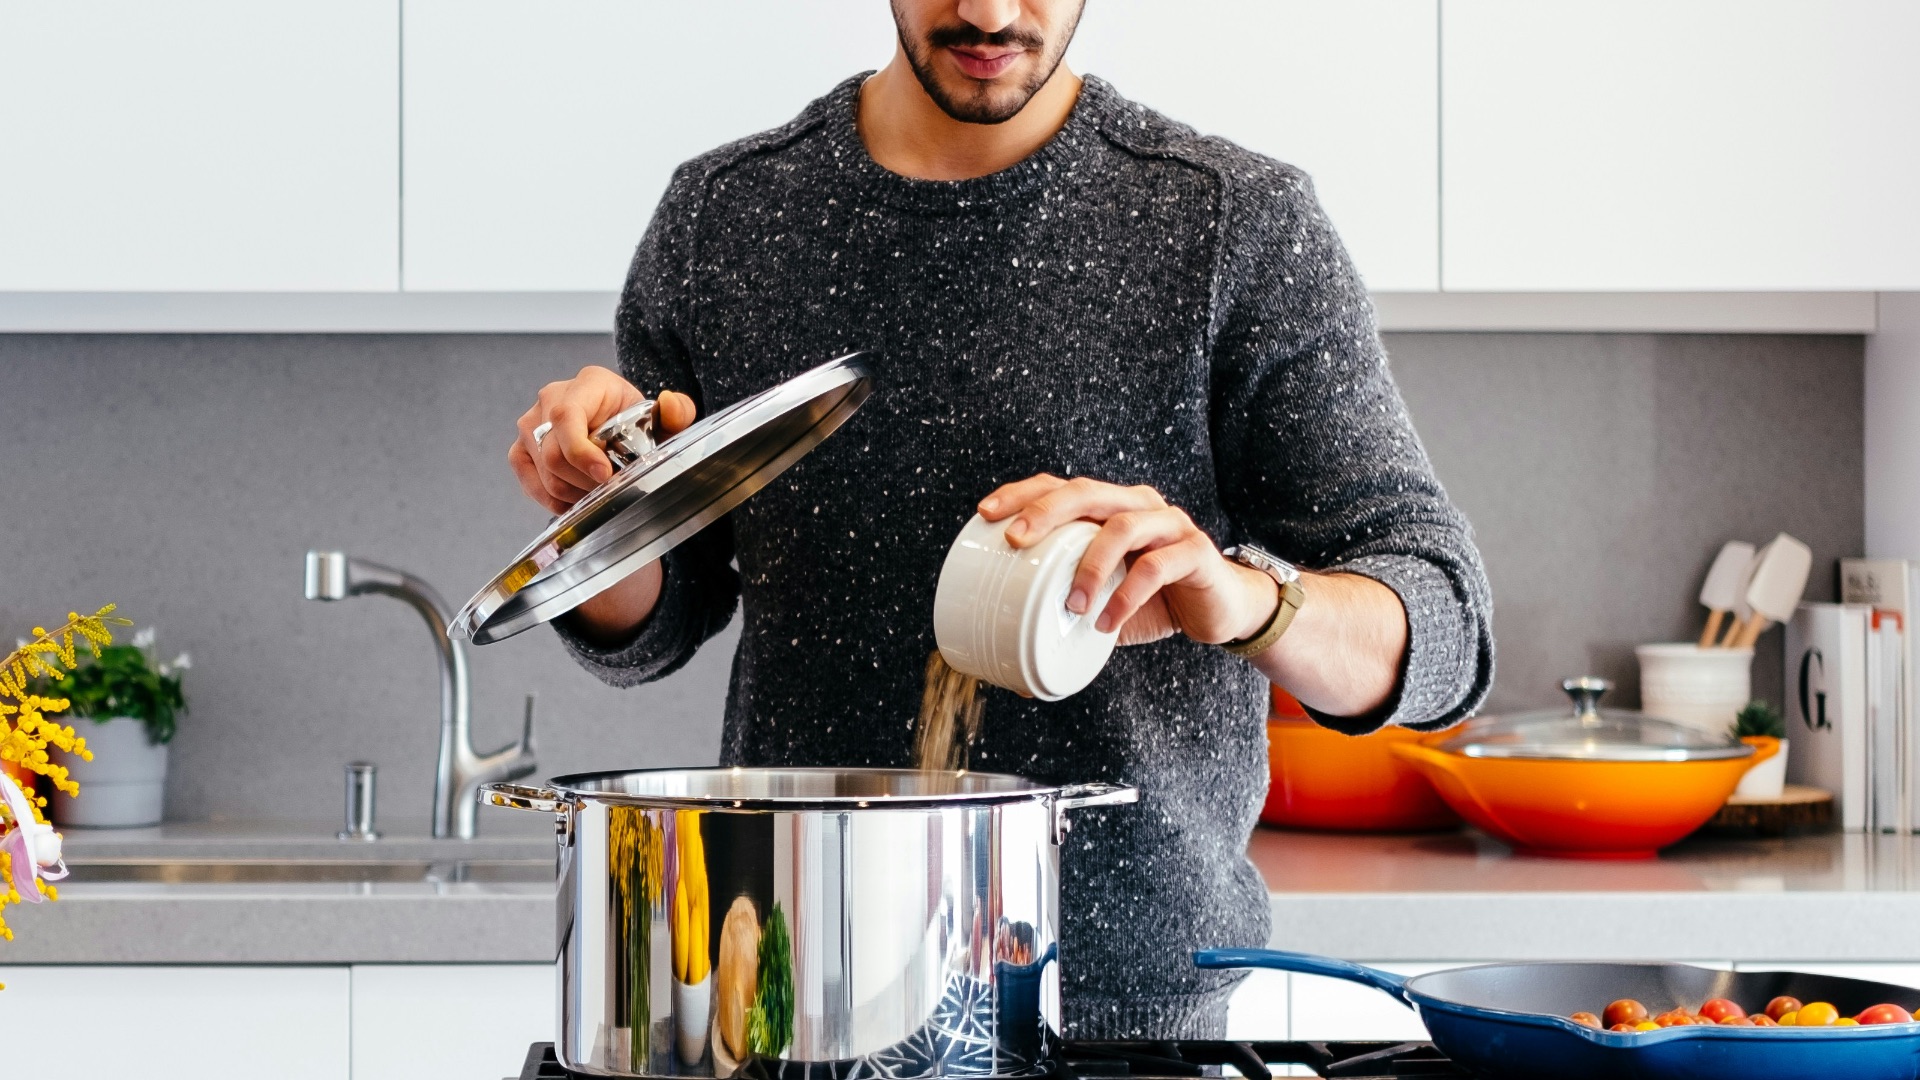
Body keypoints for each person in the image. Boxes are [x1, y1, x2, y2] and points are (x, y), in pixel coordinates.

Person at [509, 0, 1493, 1039]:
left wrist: (1242, 599)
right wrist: (597, 514)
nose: (984, 11)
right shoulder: (728, 216)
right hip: (798, 991)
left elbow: (1443, 634)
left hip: (1127, 1013)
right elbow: (660, 618)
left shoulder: (1232, 223)